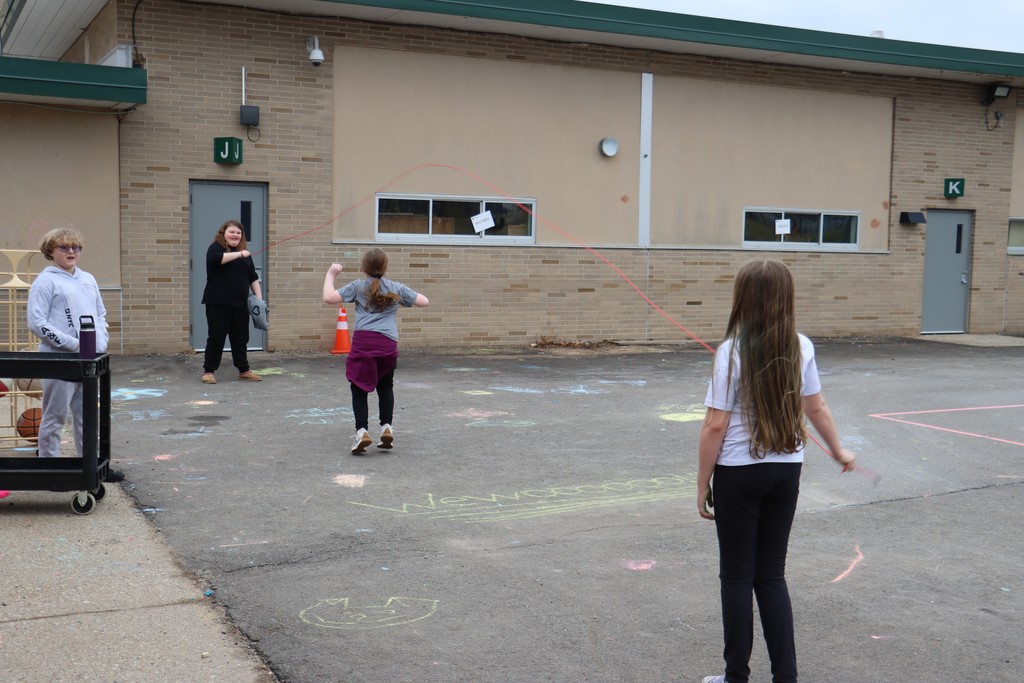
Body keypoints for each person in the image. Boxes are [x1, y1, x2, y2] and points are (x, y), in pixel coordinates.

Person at [697, 260, 855, 683]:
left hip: (739, 474)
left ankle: (736, 677)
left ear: (743, 298)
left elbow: (716, 424)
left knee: (736, 576)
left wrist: (701, 485)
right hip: (786, 472)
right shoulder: (801, 345)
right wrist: (839, 450)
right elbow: (816, 406)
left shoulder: (731, 351)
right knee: (770, 576)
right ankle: (786, 677)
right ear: (786, 298)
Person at [26, 227, 124, 482]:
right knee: (55, 416)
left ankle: (89, 466)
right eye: (64, 247)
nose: (71, 252)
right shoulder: (45, 282)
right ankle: (49, 468)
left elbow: (100, 314)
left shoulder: (87, 279)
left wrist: (99, 342)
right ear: (51, 251)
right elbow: (37, 323)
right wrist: (73, 344)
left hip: (87, 359)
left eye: (76, 247)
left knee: (87, 416)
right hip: (57, 360)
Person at [322, 248, 429, 454]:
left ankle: (362, 431)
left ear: (363, 268)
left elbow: (328, 298)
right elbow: (424, 301)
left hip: (364, 342)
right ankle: (386, 427)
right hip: (388, 344)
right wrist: (402, 296)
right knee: (385, 386)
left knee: (359, 387)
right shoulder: (395, 287)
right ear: (385, 267)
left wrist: (331, 274)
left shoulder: (358, 286)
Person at [201, 219, 263, 384]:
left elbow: (253, 277)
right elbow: (216, 259)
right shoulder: (216, 248)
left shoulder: (245, 255)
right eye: (232, 232)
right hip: (218, 303)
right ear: (224, 233)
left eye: (238, 233)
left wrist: (259, 299)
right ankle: (208, 371)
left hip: (240, 304)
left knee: (240, 338)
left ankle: (244, 370)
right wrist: (239, 254)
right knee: (216, 337)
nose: (235, 235)